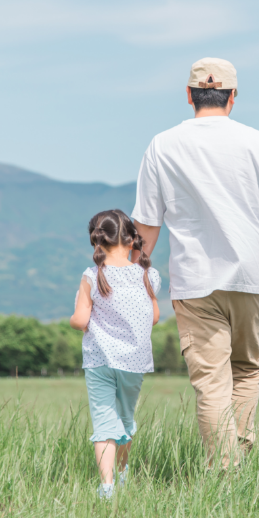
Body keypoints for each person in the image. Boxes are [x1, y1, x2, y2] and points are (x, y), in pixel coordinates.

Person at [131, 57, 259, 468]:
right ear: (232, 97)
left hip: (194, 282)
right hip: (251, 277)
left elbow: (147, 224)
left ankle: (225, 471)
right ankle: (238, 468)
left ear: (189, 96)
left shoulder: (162, 144)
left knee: (211, 383)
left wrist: (136, 274)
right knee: (246, 371)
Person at [70, 209, 161, 499]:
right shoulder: (148, 275)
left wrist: (74, 317)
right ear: (132, 240)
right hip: (134, 363)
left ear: (97, 241)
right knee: (125, 420)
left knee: (104, 424)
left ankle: (106, 486)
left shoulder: (92, 276)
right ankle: (123, 475)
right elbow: (154, 317)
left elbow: (81, 320)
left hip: (99, 361)